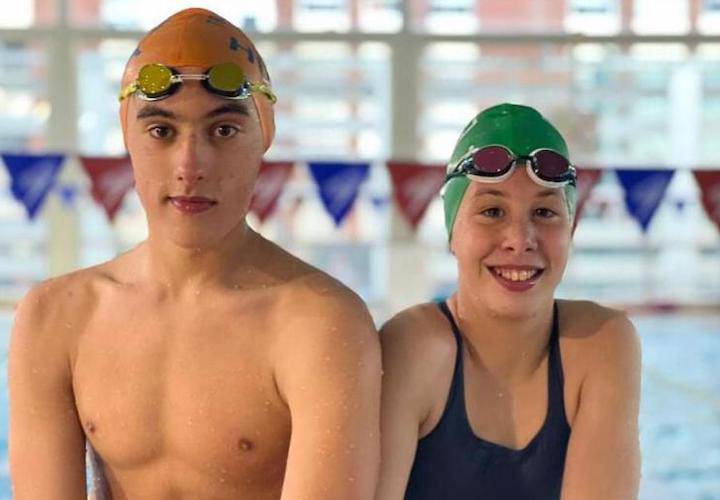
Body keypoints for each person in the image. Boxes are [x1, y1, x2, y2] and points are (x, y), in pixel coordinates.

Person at [8, 8, 381, 499]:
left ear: (264, 135)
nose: (190, 165)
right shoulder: (56, 317)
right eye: (162, 131)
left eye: (223, 130)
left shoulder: (320, 323)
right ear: (128, 136)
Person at [376, 103, 641, 500]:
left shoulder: (601, 343)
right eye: (492, 211)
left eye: (545, 212)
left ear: (571, 230)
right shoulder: (413, 348)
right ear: (453, 232)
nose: (520, 239)